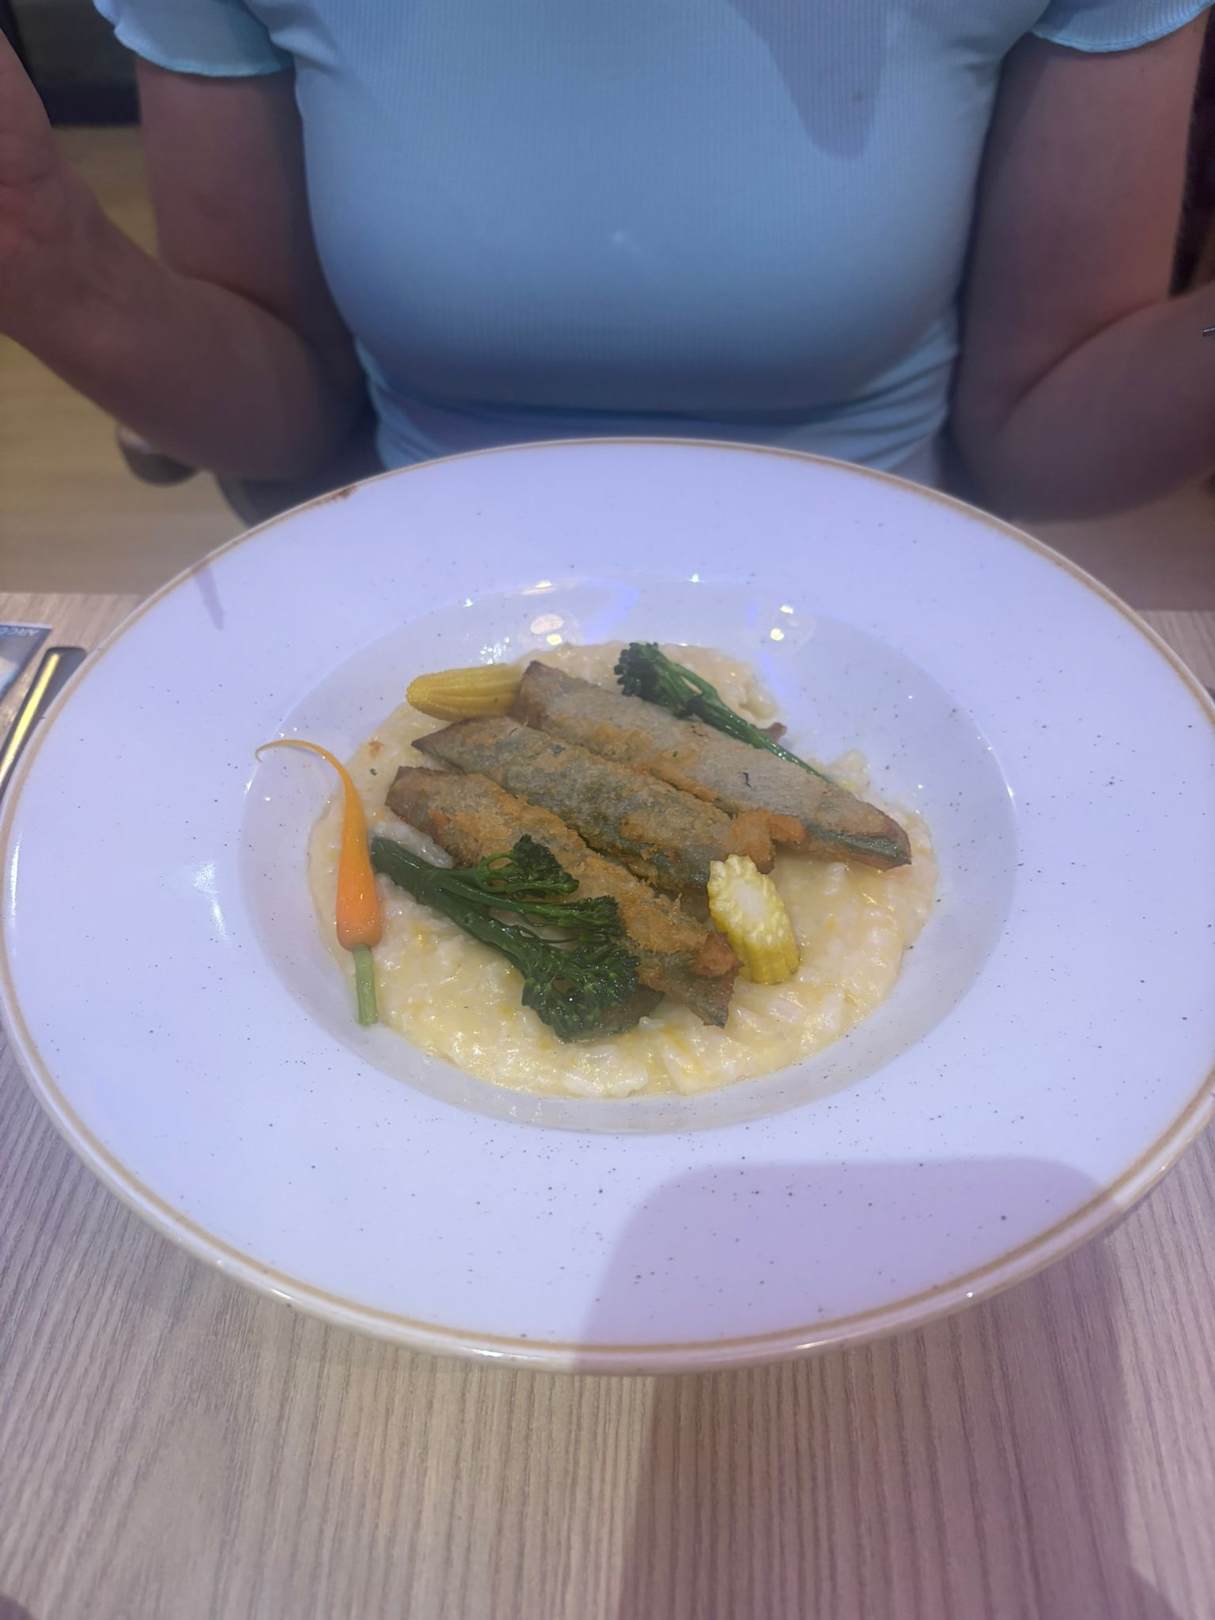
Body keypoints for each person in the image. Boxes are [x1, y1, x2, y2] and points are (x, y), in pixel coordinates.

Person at [1, 0, 1213, 521]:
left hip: (883, 624)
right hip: (416, 614)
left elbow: (1043, 428)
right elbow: (288, 412)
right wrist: (43, 249)